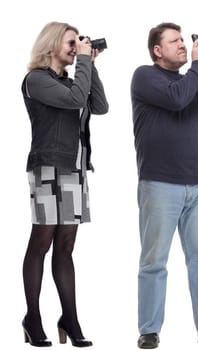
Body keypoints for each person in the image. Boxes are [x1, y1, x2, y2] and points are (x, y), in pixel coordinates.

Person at [130, 22, 198, 350]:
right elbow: (178, 99)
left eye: (184, 40)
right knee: (154, 261)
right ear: (157, 50)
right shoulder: (145, 77)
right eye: (175, 41)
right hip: (159, 184)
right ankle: (149, 330)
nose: (183, 44)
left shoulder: (192, 81)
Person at [21, 21, 108, 348]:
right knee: (41, 241)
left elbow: (99, 106)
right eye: (71, 43)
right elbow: (74, 101)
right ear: (52, 44)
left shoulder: (73, 80)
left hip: (74, 168)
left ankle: (69, 319)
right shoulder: (36, 80)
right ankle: (32, 318)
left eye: (78, 43)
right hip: (47, 167)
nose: (76, 47)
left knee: (66, 247)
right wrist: (84, 61)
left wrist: (91, 64)